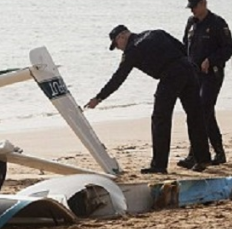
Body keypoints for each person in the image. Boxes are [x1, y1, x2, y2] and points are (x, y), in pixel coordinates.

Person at [84, 25, 212, 174]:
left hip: (170, 75)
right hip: (187, 68)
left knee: (160, 118)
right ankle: (203, 158)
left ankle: (159, 165)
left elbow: (118, 78)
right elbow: (182, 48)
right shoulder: (156, 32)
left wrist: (99, 98)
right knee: (195, 115)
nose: (118, 49)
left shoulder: (131, 50)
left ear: (122, 37)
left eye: (116, 45)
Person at [177, 0, 232, 168]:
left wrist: (210, 60)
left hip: (212, 75)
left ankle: (196, 154)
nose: (192, 11)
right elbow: (185, 46)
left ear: (203, 4)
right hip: (193, 76)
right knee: (205, 114)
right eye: (190, 7)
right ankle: (219, 152)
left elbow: (228, 49)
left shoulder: (218, 23)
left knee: (202, 112)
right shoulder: (191, 23)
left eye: (194, 7)